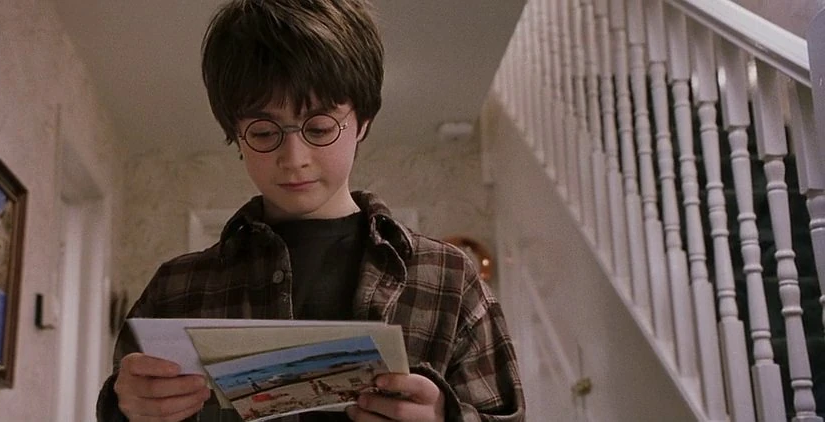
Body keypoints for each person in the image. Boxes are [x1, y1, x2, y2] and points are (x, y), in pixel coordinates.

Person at [96, 1, 524, 421]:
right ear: (235, 133)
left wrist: (446, 417)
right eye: (264, 132)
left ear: (364, 122)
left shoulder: (448, 278)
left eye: (319, 128)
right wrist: (124, 407)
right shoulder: (175, 289)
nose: (294, 158)